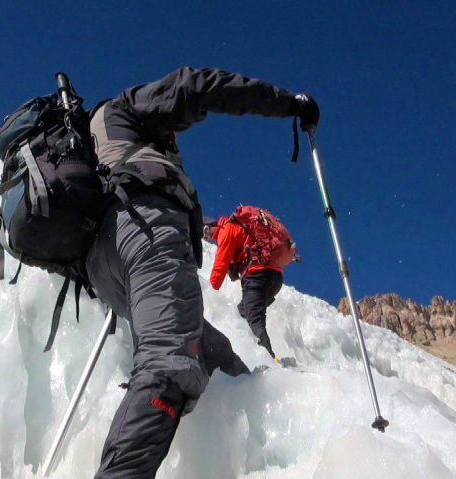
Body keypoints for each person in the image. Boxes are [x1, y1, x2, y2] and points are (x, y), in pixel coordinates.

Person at [84, 67, 319, 478]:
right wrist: (286, 104)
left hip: (102, 261)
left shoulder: (93, 143)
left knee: (212, 352)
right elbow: (198, 85)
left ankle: (244, 403)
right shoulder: (129, 108)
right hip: (145, 226)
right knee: (168, 365)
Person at [204, 213, 297, 360]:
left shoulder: (226, 229)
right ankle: (255, 354)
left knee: (254, 318)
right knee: (244, 311)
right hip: (275, 277)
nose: (207, 237)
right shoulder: (239, 228)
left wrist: (209, 292)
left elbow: (220, 264)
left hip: (257, 275)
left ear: (212, 225)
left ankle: (270, 359)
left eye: (206, 232)